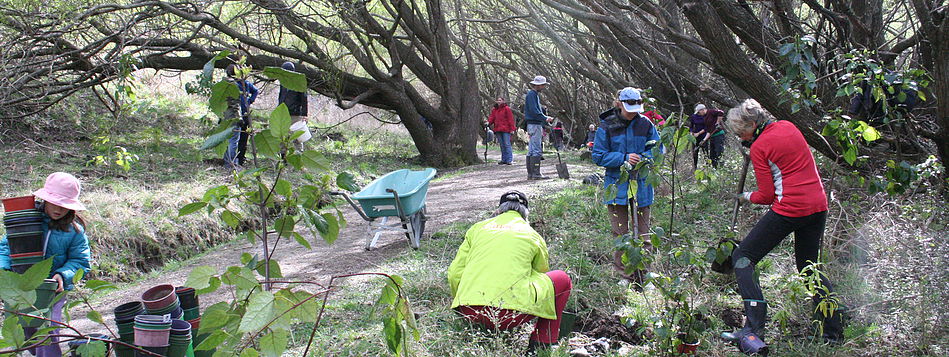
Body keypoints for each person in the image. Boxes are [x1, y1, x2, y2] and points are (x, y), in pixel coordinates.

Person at [720, 99, 844, 354]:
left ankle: (753, 329)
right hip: (818, 205)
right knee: (808, 267)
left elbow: (766, 196)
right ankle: (833, 330)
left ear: (753, 125)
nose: (738, 136)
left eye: (740, 131)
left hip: (792, 208)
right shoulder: (788, 126)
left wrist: (747, 197)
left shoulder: (761, 146)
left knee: (742, 256)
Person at [448, 191, 572, 355]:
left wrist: (462, 306)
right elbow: (541, 274)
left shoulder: (477, 228)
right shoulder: (532, 235)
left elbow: (454, 274)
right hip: (510, 315)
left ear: (499, 210)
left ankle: (477, 334)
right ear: (526, 214)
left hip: (469, 311)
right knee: (562, 279)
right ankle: (543, 342)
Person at [0, 172, 92, 357]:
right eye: (54, 203)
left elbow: (80, 261)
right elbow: (6, 248)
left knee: (49, 332)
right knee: (26, 330)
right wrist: (4, 272)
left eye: (64, 205)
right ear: (45, 200)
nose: (59, 210)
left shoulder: (74, 231)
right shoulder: (26, 220)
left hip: (52, 290)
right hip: (21, 285)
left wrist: (63, 275)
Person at [592, 88, 660, 283]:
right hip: (616, 186)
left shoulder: (645, 124)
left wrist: (644, 159)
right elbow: (598, 155)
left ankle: (644, 273)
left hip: (642, 185)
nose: (633, 112)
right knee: (621, 234)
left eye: (636, 107)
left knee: (644, 234)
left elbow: (656, 148)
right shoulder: (606, 126)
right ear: (619, 103)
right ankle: (624, 276)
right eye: (629, 107)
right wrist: (623, 158)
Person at [222, 64, 259, 169]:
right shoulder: (230, 85)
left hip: (244, 114)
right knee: (232, 140)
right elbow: (234, 105)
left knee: (241, 139)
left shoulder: (245, 84)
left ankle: (238, 160)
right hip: (234, 116)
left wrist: (249, 101)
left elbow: (255, 91)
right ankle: (230, 164)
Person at [524, 76, 553, 180]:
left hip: (532, 124)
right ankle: (535, 174)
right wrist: (545, 118)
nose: (544, 87)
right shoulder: (532, 95)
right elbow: (534, 111)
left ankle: (531, 174)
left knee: (531, 149)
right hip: (535, 124)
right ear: (539, 85)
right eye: (543, 85)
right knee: (536, 149)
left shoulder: (532, 94)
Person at [277, 61, 309, 151]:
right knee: (283, 136)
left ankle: (299, 156)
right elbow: (281, 96)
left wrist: (304, 114)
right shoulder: (282, 82)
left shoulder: (299, 82)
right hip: (283, 113)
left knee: (298, 138)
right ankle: (283, 157)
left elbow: (304, 99)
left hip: (295, 113)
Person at [488, 97, 516, 165]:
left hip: (506, 129)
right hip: (498, 129)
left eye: (500, 100)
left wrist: (512, 129)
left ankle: (509, 159)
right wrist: (488, 123)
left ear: (503, 101)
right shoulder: (495, 109)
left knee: (507, 144)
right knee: (502, 145)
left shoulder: (507, 109)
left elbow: (510, 119)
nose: (499, 101)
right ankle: (504, 159)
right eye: (498, 100)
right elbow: (492, 118)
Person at [688, 104, 708, 170]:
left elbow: (706, 127)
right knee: (695, 151)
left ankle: (708, 166)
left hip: (703, 135)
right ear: (699, 111)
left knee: (705, 151)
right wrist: (691, 133)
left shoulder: (706, 116)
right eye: (701, 110)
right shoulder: (694, 117)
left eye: (704, 109)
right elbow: (691, 126)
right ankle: (695, 167)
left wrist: (699, 133)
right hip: (695, 136)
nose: (703, 111)